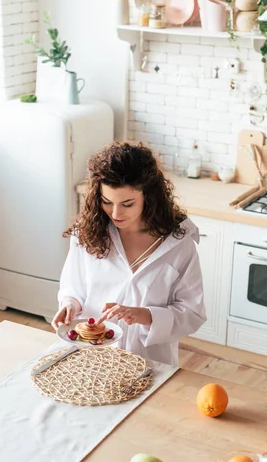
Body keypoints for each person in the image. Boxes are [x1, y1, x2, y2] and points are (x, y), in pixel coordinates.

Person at [51, 141, 206, 366]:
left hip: (149, 361)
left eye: (127, 204)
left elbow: (192, 312)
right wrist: (70, 305)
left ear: (149, 197)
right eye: (106, 202)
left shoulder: (179, 245)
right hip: (90, 357)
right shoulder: (88, 234)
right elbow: (73, 287)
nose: (115, 213)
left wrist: (143, 315)